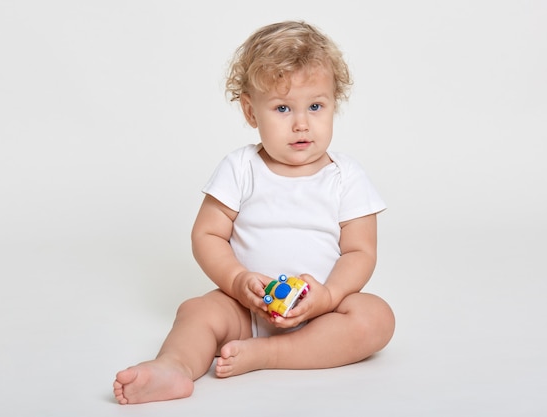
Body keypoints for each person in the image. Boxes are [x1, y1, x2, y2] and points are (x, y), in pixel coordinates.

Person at [113, 20, 395, 404]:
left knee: (376, 316)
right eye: (282, 108)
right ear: (250, 111)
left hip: (321, 315)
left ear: (334, 103)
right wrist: (236, 280)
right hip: (246, 310)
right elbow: (207, 234)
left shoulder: (347, 177)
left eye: (315, 106)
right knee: (197, 311)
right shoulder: (240, 167)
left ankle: (271, 355)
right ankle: (174, 366)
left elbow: (360, 251)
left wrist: (329, 296)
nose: (301, 123)